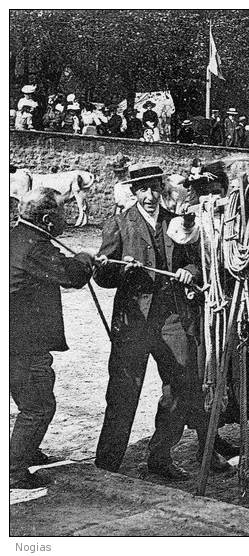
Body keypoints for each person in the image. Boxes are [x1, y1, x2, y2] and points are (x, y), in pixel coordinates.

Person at [94, 164, 216, 480]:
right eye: (143, 190)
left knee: (181, 384)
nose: (149, 196)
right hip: (133, 321)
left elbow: (197, 260)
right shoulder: (119, 224)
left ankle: (160, 457)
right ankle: (107, 464)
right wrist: (122, 270)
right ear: (134, 192)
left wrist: (192, 272)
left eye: (154, 189)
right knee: (123, 391)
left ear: (161, 189)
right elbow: (101, 274)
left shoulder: (176, 222)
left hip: (172, 318)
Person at [10, 189, 96, 488]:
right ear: (48, 219)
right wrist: (86, 258)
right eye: (63, 212)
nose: (67, 217)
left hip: (13, 340)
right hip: (21, 344)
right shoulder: (36, 247)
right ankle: (14, 471)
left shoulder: (15, 236)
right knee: (38, 406)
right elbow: (71, 275)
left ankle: (26, 450)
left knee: (28, 402)